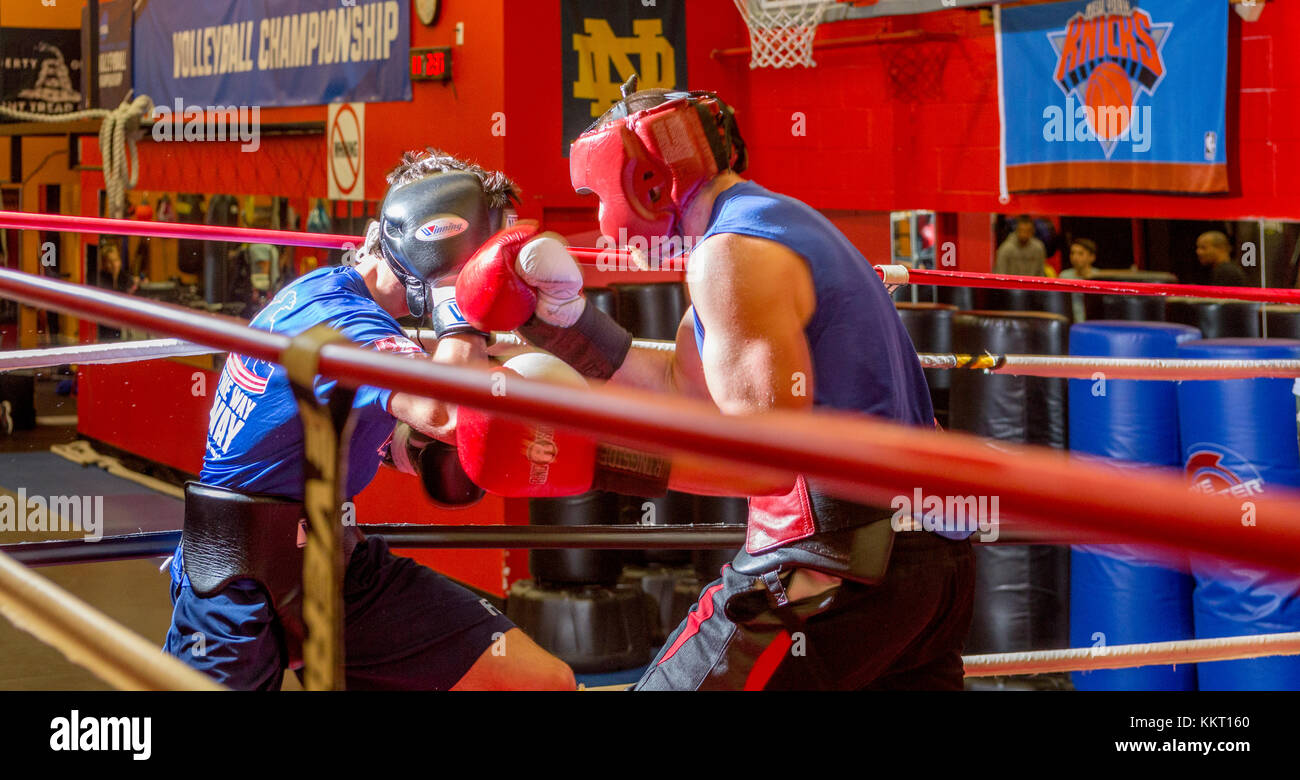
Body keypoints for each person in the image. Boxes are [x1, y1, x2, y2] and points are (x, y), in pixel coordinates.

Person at [455, 78, 975, 690]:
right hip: (928, 565)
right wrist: (562, 325)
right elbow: (685, 387)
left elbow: (767, 460)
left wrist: (596, 456)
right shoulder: (768, 224)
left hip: (829, 570)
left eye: (598, 194)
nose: (599, 218)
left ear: (647, 181)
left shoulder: (729, 256)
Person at [163, 149, 575, 690]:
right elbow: (441, 408)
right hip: (236, 576)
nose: (481, 281)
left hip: (337, 564)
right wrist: (460, 306)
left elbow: (398, 431)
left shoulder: (362, 314)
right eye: (474, 264)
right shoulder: (334, 315)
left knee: (538, 682)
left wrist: (441, 454)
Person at [95, 242, 139, 341]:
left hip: (122, 325)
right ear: (104, 264)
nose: (114, 264)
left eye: (115, 260)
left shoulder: (125, 278)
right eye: (110, 261)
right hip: (104, 326)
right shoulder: (100, 278)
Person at [1059, 237, 1098, 323]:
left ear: (1092, 257)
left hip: (1092, 322)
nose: (1075, 257)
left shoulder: (1098, 277)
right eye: (1073, 253)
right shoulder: (1064, 276)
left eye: (1080, 254)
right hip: (1069, 322)